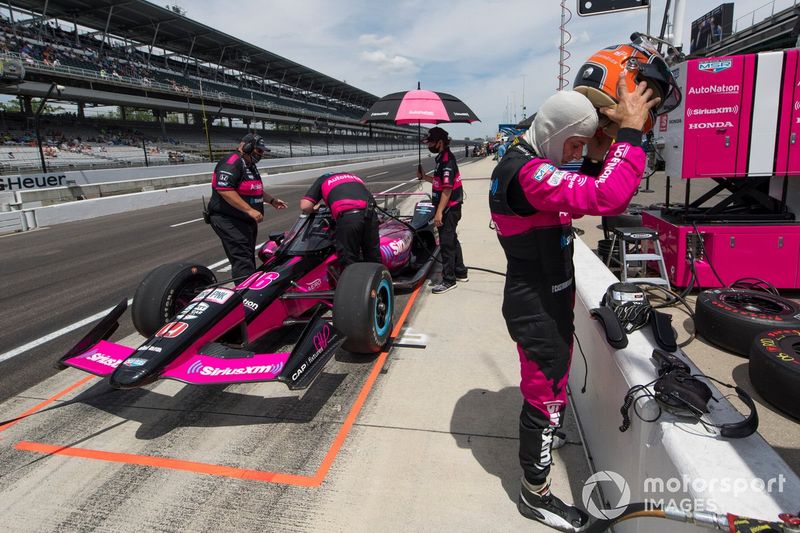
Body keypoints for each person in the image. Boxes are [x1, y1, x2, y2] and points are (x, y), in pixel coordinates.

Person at [488, 77, 661, 531]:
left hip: (549, 297)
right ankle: (535, 492)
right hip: (536, 305)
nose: (578, 156)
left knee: (554, 384)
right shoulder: (525, 173)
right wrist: (630, 135)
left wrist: (609, 142)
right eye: (575, 146)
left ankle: (545, 434)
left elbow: (591, 176)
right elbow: (607, 195)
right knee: (544, 395)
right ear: (554, 136)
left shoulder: (536, 159)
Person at [208, 133, 287, 282]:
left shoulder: (250, 165)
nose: (261, 155)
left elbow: (254, 187)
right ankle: (245, 296)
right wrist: (249, 210)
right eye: (259, 151)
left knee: (248, 257)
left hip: (245, 221)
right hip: (229, 219)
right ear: (248, 147)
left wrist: (272, 200)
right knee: (243, 259)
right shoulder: (232, 162)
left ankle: (248, 285)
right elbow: (224, 189)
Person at [416, 126, 468, 293]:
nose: (428, 145)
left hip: (449, 209)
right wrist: (424, 177)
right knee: (451, 239)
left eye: (430, 142)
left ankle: (449, 280)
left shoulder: (447, 161)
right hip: (450, 208)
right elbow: (439, 182)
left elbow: (447, 189)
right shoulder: (441, 158)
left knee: (446, 244)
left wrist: (438, 211)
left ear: (439, 142)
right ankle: (460, 271)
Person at [299, 171, 380, 268]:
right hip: (370, 213)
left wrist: (313, 209)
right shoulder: (353, 176)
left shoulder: (323, 179)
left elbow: (305, 206)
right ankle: (377, 280)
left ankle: (351, 282)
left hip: (348, 216)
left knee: (348, 259)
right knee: (373, 255)